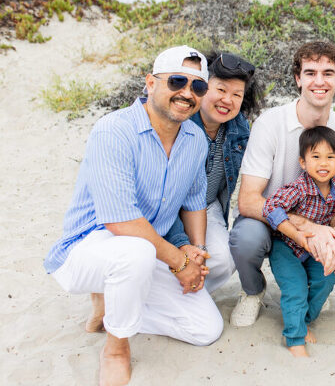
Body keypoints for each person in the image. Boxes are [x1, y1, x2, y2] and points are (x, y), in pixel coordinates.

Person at [44, 46, 223, 386]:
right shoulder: (114, 130)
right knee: (135, 251)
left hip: (143, 250)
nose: (187, 93)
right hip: (89, 248)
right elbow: (121, 222)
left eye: (198, 86)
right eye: (177, 81)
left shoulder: (195, 139)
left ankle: (112, 309)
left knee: (205, 329)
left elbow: (194, 199)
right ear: (150, 83)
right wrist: (179, 262)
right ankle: (115, 349)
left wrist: (196, 252)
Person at [230, 41, 335, 326]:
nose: (319, 81)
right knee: (246, 239)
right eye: (310, 72)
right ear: (298, 79)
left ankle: (314, 280)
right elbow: (248, 200)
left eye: (328, 73)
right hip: (268, 220)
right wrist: (308, 227)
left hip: (322, 219)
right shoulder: (270, 124)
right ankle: (253, 291)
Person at [264, 126, 335, 357]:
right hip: (287, 247)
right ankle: (295, 338)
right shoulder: (299, 187)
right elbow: (271, 206)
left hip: (315, 250)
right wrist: (295, 233)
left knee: (326, 280)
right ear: (303, 162)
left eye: (330, 157)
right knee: (295, 288)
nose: (323, 164)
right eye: (316, 157)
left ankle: (303, 320)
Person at [163, 51, 260, 292]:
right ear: (202, 87)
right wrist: (183, 242)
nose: (228, 100)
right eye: (221, 90)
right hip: (169, 205)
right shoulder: (179, 123)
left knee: (224, 258)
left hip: (206, 205)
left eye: (237, 94)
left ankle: (190, 296)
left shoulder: (240, 129)